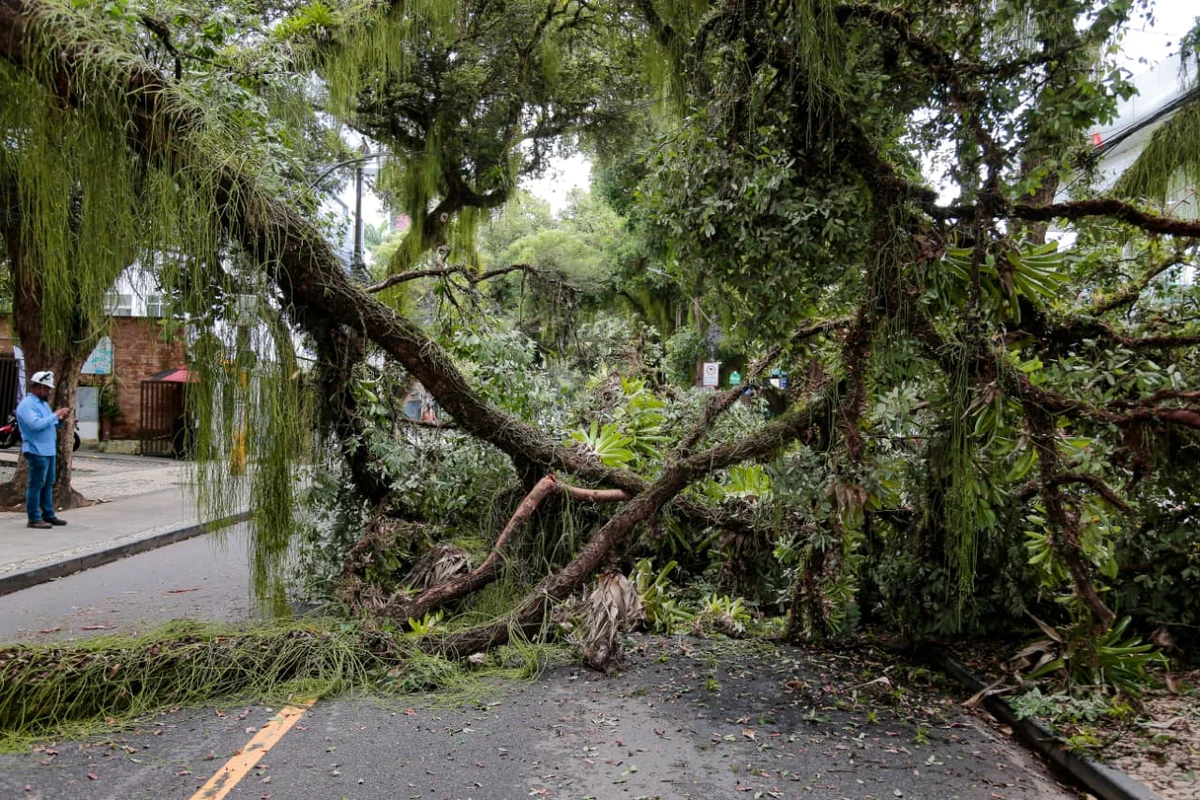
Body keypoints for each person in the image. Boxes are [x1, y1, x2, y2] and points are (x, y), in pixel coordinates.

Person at [16, 370, 69, 529]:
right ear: (37, 388)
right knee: (36, 484)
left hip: (48, 450)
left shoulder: (43, 404)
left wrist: (59, 420)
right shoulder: (27, 405)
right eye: (46, 389)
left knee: (48, 484)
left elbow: (49, 423)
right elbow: (36, 425)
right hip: (36, 450)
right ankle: (33, 518)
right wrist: (55, 415)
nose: (49, 392)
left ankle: (48, 514)